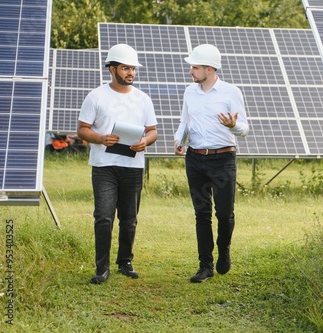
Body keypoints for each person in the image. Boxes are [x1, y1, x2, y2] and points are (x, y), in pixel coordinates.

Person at [77, 44, 158, 284]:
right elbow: (82, 129)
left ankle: (125, 262)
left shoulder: (143, 99)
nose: (131, 72)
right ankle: (101, 268)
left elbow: (152, 131)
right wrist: (101, 138)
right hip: (104, 166)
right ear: (112, 69)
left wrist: (145, 141)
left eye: (133, 68)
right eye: (125, 68)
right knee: (103, 217)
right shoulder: (96, 96)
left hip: (133, 167)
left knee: (129, 217)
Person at [174, 44, 249, 283]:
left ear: (209, 69)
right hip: (195, 159)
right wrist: (179, 139)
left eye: (195, 67)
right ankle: (205, 265)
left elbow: (244, 129)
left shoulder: (230, 92)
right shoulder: (189, 92)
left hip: (223, 159)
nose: (191, 71)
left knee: (225, 213)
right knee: (202, 213)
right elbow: (184, 121)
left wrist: (232, 126)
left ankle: (224, 250)